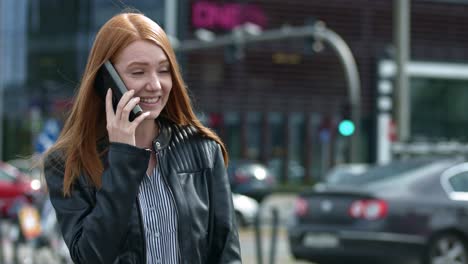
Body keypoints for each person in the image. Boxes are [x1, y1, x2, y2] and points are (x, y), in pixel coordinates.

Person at [42, 11, 241, 264]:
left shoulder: (203, 150)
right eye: (138, 72)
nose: (155, 85)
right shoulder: (67, 163)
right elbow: (91, 257)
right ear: (107, 80)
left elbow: (226, 254)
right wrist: (123, 157)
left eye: (163, 70)